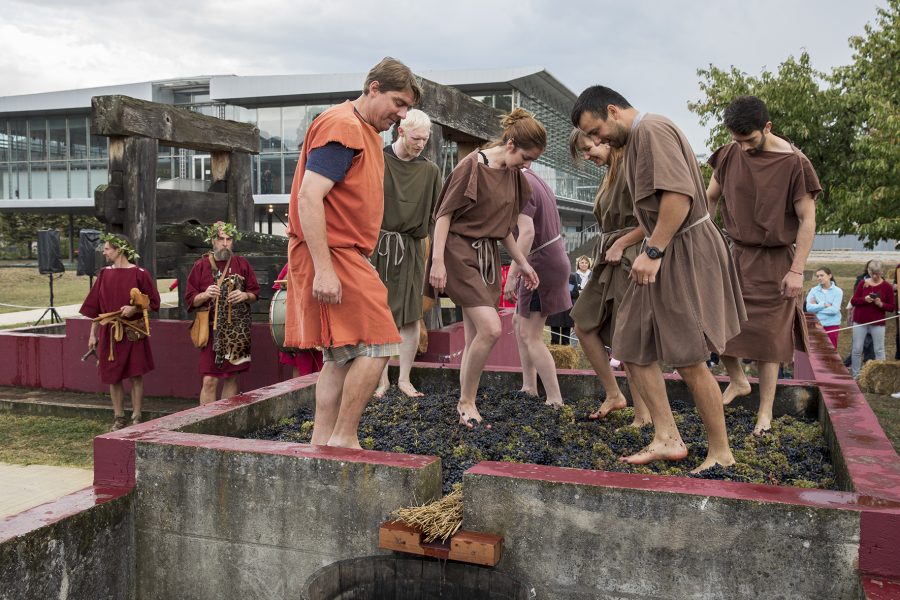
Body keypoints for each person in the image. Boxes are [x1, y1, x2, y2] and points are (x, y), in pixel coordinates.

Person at [572, 86, 746, 472]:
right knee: (630, 341)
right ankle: (667, 437)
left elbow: (679, 197)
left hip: (681, 249)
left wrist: (653, 251)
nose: (597, 141)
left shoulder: (652, 130)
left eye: (597, 131)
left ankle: (720, 452)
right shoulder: (634, 141)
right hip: (664, 247)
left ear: (613, 111)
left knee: (688, 357)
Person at [285, 57, 419, 449]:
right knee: (380, 342)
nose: (401, 114)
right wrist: (325, 270)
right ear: (373, 87)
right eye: (398, 102)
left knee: (340, 355)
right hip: (334, 253)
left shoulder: (358, 129)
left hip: (341, 251)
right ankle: (344, 436)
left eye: (407, 108)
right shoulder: (344, 126)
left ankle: (322, 441)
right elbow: (309, 197)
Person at [706, 95, 821, 436]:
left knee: (769, 342)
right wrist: (707, 241)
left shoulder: (796, 164)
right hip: (733, 255)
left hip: (775, 262)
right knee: (714, 323)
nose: (741, 147)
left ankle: (765, 414)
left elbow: (807, 219)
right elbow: (710, 197)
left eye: (749, 140)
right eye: (736, 140)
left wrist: (797, 270)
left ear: (767, 127)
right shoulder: (728, 154)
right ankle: (738, 380)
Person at [428, 108, 542, 428]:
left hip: (487, 256)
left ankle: (466, 403)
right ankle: (466, 402)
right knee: (491, 328)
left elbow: (503, 228)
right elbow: (444, 215)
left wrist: (522, 263)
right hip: (458, 251)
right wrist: (437, 261)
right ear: (510, 144)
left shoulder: (515, 178)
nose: (528, 165)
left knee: (475, 332)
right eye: (526, 157)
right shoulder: (472, 167)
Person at [567, 129, 649, 427]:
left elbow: (658, 219)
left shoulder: (631, 165)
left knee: (628, 338)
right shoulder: (611, 172)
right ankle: (615, 394)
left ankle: (644, 416)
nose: (588, 156)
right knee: (583, 322)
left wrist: (622, 243)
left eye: (589, 149)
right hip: (609, 257)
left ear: (604, 138)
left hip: (628, 257)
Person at [371, 109, 442, 398]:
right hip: (379, 247)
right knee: (379, 314)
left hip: (412, 248)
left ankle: (404, 378)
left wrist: (436, 257)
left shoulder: (430, 171)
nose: (421, 144)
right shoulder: (378, 159)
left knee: (412, 316)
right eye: (416, 138)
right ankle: (380, 379)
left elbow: (437, 217)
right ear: (401, 131)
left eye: (425, 139)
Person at [503, 167, 572, 407]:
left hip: (540, 262)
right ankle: (529, 387)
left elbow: (527, 232)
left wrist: (512, 274)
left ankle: (554, 399)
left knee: (530, 334)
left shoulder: (520, 183)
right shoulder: (535, 179)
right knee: (517, 323)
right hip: (549, 257)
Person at [80, 233, 160, 430]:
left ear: (119, 250)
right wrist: (92, 334)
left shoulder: (140, 273)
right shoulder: (104, 274)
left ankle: (137, 416)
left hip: (133, 332)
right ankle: (119, 417)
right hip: (110, 333)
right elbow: (96, 308)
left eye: (107, 248)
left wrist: (136, 308)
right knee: (112, 376)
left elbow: (153, 302)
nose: (104, 252)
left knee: (136, 374)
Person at [185, 221, 260, 404]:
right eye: (221, 239)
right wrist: (204, 294)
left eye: (229, 239)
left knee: (232, 377)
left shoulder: (242, 263)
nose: (225, 243)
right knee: (209, 379)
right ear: (213, 241)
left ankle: (225, 418)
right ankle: (206, 422)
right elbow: (190, 299)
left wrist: (244, 295)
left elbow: (255, 293)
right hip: (211, 331)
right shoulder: (201, 265)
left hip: (236, 331)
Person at [273, 264, 323, 379]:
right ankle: (301, 396)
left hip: (320, 319)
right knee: (301, 368)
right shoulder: (294, 260)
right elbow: (280, 286)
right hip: (300, 321)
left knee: (323, 367)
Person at [850, 260, 896, 377]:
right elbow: (854, 301)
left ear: (882, 272)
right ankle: (856, 375)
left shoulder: (887, 287)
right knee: (857, 349)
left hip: (878, 323)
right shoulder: (862, 283)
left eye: (878, 273)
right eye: (872, 273)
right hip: (860, 322)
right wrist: (864, 299)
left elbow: (892, 307)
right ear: (869, 271)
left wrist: (881, 304)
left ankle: (881, 376)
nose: (875, 276)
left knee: (879, 349)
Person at [805, 267, 843, 348]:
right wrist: (823, 305)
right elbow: (809, 308)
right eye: (817, 276)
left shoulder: (838, 291)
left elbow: (834, 310)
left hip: (832, 325)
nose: (819, 278)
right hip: (816, 325)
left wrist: (817, 307)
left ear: (829, 276)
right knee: (817, 351)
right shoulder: (813, 291)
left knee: (831, 350)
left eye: (822, 275)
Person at [547, 273, 578, 345]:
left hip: (567, 310)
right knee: (555, 338)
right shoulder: (551, 276)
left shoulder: (571, 277)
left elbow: (576, 294)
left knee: (566, 339)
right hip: (555, 309)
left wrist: (564, 291)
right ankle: (553, 355)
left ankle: (565, 355)